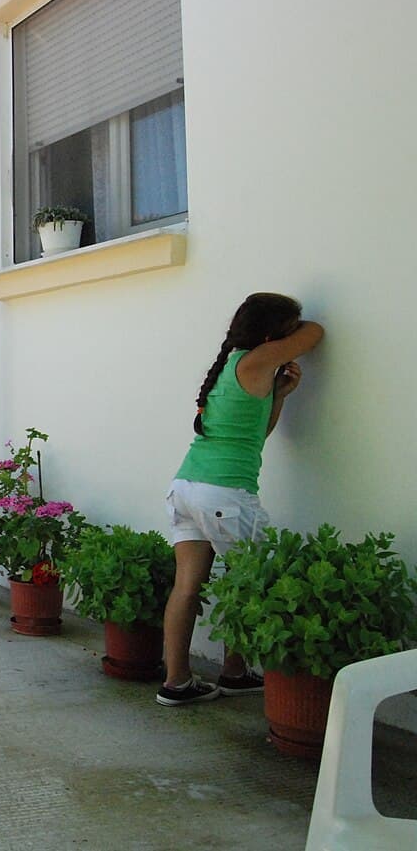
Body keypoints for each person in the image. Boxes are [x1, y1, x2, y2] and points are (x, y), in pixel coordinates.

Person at [159, 293, 324, 706]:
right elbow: (315, 333)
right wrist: (291, 335)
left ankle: (177, 682)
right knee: (251, 582)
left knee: (186, 587)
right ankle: (234, 672)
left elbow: (254, 435)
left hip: (187, 487)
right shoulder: (258, 359)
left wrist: (279, 396)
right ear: (270, 336)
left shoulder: (233, 366)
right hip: (224, 493)